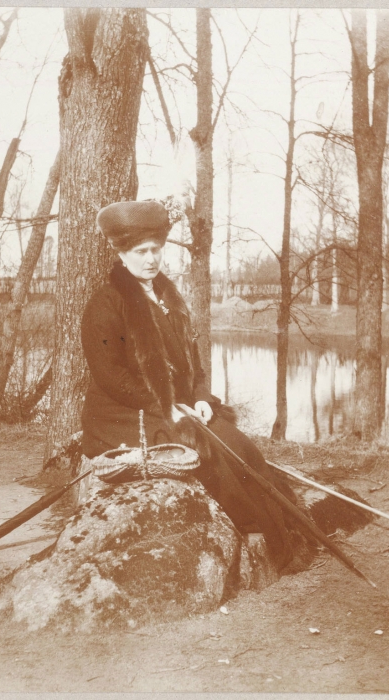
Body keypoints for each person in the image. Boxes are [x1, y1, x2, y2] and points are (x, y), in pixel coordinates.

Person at [80, 200, 296, 571]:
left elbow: (193, 364)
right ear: (121, 254)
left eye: (156, 249)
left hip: (177, 406)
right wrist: (167, 406)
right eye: (141, 252)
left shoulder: (170, 300)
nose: (151, 259)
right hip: (122, 413)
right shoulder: (105, 305)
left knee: (237, 442)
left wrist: (200, 398)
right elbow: (110, 377)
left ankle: (285, 526)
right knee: (207, 450)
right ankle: (256, 527)